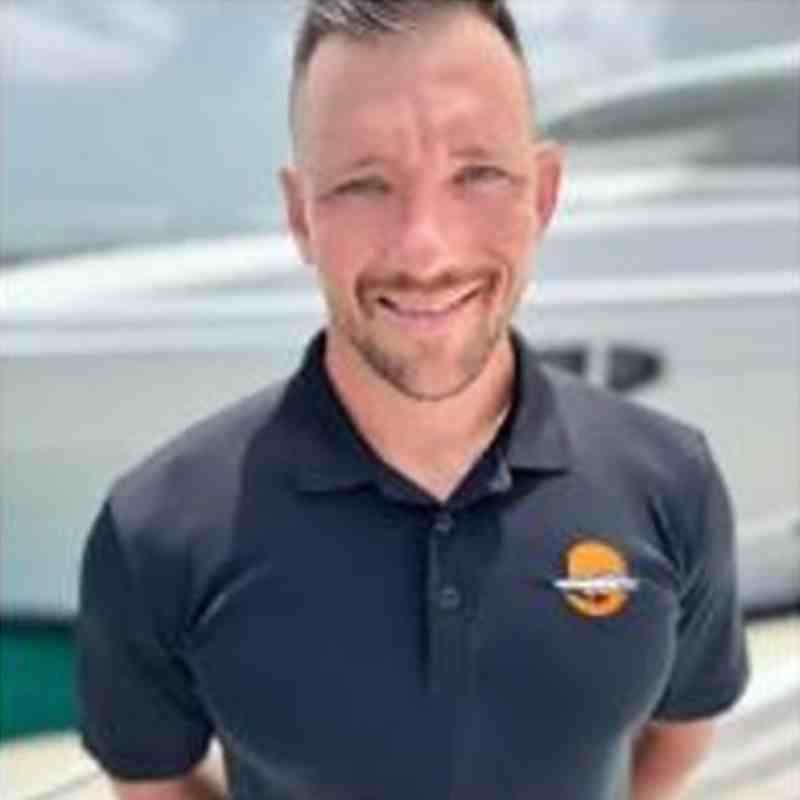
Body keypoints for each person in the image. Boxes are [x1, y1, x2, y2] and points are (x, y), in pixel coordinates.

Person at [77, 1, 750, 798]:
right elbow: (152, 783)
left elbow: (680, 735)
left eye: (477, 174)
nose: (424, 249)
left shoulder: (670, 481)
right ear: (300, 216)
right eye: (364, 184)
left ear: (542, 193)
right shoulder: (156, 530)